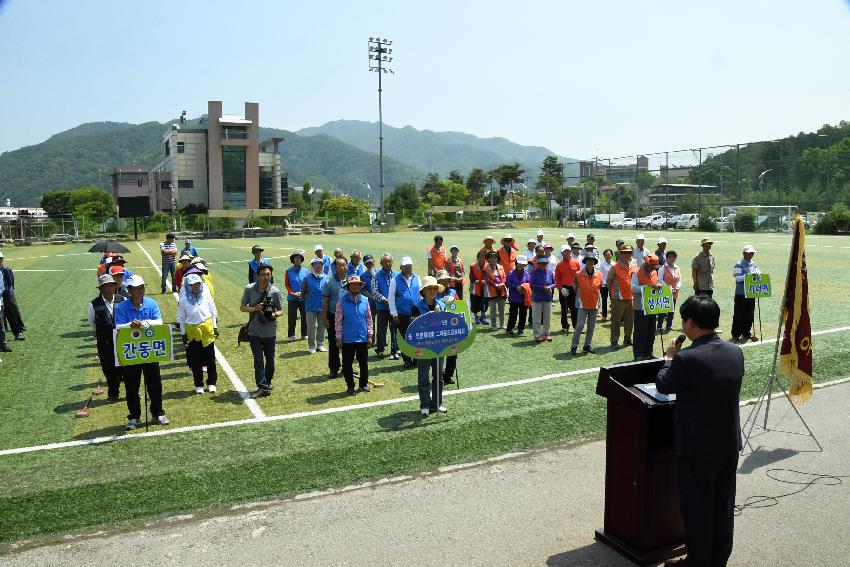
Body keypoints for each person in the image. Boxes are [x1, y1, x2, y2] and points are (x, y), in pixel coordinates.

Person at [656, 295, 743, 567]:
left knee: (698, 507)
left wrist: (669, 358)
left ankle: (697, 562)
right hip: (727, 443)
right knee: (723, 503)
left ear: (690, 323)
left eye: (684, 320)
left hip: (696, 447)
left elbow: (663, 385)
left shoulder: (686, 358)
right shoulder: (735, 351)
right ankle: (718, 558)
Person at [114, 276, 169, 429]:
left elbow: (159, 322)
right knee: (132, 386)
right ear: (129, 290)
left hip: (150, 351)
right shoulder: (122, 307)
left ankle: (158, 413)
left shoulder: (152, 303)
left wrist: (146, 323)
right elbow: (118, 326)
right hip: (131, 352)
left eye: (141, 288)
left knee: (155, 384)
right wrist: (130, 325)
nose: (139, 291)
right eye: (136, 288)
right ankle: (134, 417)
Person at [240, 264, 283, 398]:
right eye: (263, 274)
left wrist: (275, 315)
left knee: (270, 360)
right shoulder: (249, 289)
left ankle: (268, 382)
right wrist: (254, 309)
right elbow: (242, 307)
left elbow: (281, 310)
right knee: (258, 360)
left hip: (270, 332)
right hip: (254, 332)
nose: (266, 277)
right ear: (258, 276)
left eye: (268, 274)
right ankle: (262, 387)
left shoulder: (275, 291)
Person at [177, 273, 219, 394]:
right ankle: (198, 384)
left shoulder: (205, 295)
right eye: (192, 285)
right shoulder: (184, 299)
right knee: (196, 360)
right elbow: (180, 317)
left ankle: (211, 382)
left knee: (210, 359)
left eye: (197, 284)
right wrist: (183, 334)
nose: (195, 286)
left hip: (207, 329)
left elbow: (213, 310)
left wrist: (215, 327)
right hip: (192, 331)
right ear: (188, 286)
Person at [87, 274, 125, 399]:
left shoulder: (122, 300)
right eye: (106, 286)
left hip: (122, 341)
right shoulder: (93, 305)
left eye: (112, 285)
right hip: (105, 344)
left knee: (125, 368)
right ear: (101, 289)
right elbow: (93, 324)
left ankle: (130, 391)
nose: (110, 288)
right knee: (108, 369)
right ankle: (113, 392)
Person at [414, 276, 448, 416]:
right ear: (424, 291)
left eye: (435, 288)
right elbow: (414, 328)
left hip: (439, 346)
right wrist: (428, 317)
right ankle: (425, 405)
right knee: (423, 377)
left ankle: (438, 403)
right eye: (430, 288)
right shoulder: (416, 307)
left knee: (439, 376)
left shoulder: (442, 304)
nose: (433, 290)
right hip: (423, 347)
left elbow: (446, 326)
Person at [336, 275, 373, 395]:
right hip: (348, 338)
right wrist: (339, 337)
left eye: (357, 284)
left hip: (362, 337)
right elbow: (338, 321)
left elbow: (369, 319)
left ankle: (363, 384)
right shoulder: (341, 301)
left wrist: (370, 335)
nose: (354, 286)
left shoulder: (365, 300)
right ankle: (350, 386)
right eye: (352, 284)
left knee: (363, 362)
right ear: (348, 287)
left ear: (360, 286)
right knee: (347, 364)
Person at [388, 256, 420, 368]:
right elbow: (391, 298)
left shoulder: (417, 278)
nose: (408, 268)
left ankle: (416, 359)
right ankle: (407, 359)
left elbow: (420, 295)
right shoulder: (395, 280)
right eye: (405, 266)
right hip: (402, 313)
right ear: (401, 267)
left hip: (415, 313)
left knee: (416, 337)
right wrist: (394, 313)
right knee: (405, 337)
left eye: (410, 266)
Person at [631, 254, 662, 361]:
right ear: (647, 264)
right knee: (640, 331)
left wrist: (659, 284)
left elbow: (656, 282)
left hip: (652, 306)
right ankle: (638, 354)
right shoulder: (636, 272)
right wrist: (647, 287)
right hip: (640, 307)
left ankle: (648, 352)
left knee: (651, 330)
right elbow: (633, 288)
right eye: (653, 266)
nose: (654, 268)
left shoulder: (654, 272)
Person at [571, 252, 603, 355]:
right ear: (585, 262)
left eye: (592, 261)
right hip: (582, 304)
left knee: (591, 327)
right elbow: (575, 288)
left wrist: (599, 303)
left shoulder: (599, 274)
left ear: (594, 262)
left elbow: (599, 288)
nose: (590, 262)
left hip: (594, 304)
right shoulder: (578, 274)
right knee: (579, 325)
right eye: (588, 260)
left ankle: (587, 346)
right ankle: (574, 346)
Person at [322, 257, 349, 377]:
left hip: (348, 317)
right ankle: (334, 368)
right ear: (335, 267)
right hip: (333, 315)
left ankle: (347, 367)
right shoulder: (329, 282)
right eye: (339, 265)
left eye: (344, 265)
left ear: (347, 266)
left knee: (349, 343)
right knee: (334, 343)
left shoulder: (352, 281)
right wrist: (325, 317)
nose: (342, 267)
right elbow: (325, 301)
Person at [607, 244, 636, 348]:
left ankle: (627, 339)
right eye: (624, 252)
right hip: (618, 299)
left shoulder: (632, 266)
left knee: (629, 321)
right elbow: (608, 280)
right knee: (616, 322)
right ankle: (614, 341)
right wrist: (613, 294)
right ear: (620, 253)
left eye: (629, 253)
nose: (627, 255)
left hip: (631, 298)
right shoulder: (615, 266)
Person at [372, 253, 399, 359]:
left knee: (394, 328)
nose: (388, 263)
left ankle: (395, 349)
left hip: (394, 307)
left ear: (392, 262)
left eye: (389, 261)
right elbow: (374, 291)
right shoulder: (376, 275)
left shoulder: (397, 275)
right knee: (381, 330)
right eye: (385, 261)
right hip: (382, 307)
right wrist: (384, 300)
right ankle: (380, 349)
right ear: (381, 263)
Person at [434, 270, 459, 385]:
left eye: (446, 280)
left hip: (452, 327)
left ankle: (448, 375)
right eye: (442, 280)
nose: (445, 282)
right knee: (439, 354)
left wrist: (454, 301)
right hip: (438, 327)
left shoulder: (453, 292)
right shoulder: (434, 293)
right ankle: (438, 377)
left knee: (453, 353)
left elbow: (459, 307)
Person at [731, 245, 760, 342]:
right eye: (749, 253)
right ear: (744, 253)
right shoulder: (739, 264)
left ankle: (746, 332)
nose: (751, 255)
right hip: (741, 294)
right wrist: (748, 276)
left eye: (752, 253)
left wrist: (758, 273)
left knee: (749, 314)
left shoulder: (753, 263)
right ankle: (736, 334)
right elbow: (737, 278)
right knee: (739, 314)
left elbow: (758, 271)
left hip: (751, 293)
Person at [302, 256, 328, 354]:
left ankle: (320, 345)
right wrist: (308, 301)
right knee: (311, 328)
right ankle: (311, 346)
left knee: (322, 326)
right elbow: (303, 292)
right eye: (316, 264)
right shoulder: (307, 277)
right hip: (311, 307)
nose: (318, 266)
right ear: (312, 266)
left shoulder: (326, 277)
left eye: (320, 264)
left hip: (323, 307)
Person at [0, 251, 25, 340]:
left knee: (12, 314)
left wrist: (10, 291)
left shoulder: (6, 269)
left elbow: (11, 282)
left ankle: (18, 332)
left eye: (0, 259)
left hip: (6, 295)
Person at [530, 255, 555, 342]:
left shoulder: (550, 273)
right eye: (541, 263)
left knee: (547, 317)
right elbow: (532, 284)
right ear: (538, 264)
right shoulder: (534, 273)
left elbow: (554, 283)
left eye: (545, 263)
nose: (543, 264)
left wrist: (550, 287)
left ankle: (546, 334)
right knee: (536, 317)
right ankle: (537, 335)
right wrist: (543, 288)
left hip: (547, 297)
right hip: (537, 297)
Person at [284, 249, 308, 342]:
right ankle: (291, 335)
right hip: (292, 298)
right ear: (292, 259)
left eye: (299, 258)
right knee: (292, 317)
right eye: (295, 258)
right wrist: (292, 293)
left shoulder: (306, 271)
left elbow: (307, 284)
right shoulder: (288, 271)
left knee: (304, 317)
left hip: (303, 298)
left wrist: (302, 293)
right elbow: (287, 284)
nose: (297, 259)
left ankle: (304, 334)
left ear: (301, 260)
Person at [555, 245, 580, 333]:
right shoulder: (559, 265)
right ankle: (565, 326)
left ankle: (576, 325)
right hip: (563, 288)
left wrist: (578, 288)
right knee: (564, 309)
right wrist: (561, 288)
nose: (566, 253)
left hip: (574, 288)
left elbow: (579, 277)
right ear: (561, 253)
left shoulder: (576, 263)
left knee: (574, 308)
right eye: (564, 251)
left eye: (568, 251)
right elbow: (557, 279)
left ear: (570, 252)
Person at [506, 255, 531, 336]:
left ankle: (521, 329)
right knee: (513, 314)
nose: (520, 265)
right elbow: (509, 284)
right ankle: (509, 329)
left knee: (523, 314)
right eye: (519, 263)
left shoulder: (526, 274)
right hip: (513, 298)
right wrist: (517, 287)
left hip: (523, 298)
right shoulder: (511, 273)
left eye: (522, 264)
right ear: (516, 263)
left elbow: (529, 283)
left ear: (525, 265)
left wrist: (524, 288)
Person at [658, 250, 683, 333]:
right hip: (665, 292)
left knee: (671, 310)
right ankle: (659, 326)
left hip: (674, 292)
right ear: (667, 258)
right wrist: (667, 287)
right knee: (662, 310)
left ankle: (669, 326)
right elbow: (660, 279)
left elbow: (679, 279)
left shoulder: (677, 267)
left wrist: (678, 287)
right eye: (670, 257)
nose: (672, 258)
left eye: (674, 257)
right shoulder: (663, 268)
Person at [484, 250, 507, 330]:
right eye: (491, 257)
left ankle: (502, 324)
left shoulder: (501, 267)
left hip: (501, 290)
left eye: (495, 257)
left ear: (497, 258)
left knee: (502, 309)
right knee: (493, 310)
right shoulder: (486, 268)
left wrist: (501, 284)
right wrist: (495, 285)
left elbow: (504, 277)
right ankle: (493, 325)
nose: (493, 259)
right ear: (488, 259)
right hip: (492, 292)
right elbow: (487, 280)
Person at [469, 250, 489, 325]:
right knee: (475, 302)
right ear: (478, 257)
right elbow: (471, 276)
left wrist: (485, 281)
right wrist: (477, 281)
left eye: (483, 256)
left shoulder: (488, 265)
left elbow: (490, 276)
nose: (482, 258)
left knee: (485, 302)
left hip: (485, 287)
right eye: (480, 256)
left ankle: (483, 317)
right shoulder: (473, 265)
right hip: (475, 287)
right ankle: (476, 317)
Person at [360, 254, 378, 333]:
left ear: (374, 262)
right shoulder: (363, 276)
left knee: (382, 323)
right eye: (367, 263)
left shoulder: (380, 273)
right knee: (371, 321)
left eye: (371, 262)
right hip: (370, 303)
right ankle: (372, 338)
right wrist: (372, 297)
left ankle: (382, 341)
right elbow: (363, 290)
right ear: (365, 264)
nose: (370, 265)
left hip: (382, 303)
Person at [598, 248, 614, 321]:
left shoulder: (614, 264)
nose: (608, 256)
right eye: (606, 255)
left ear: (612, 255)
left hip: (613, 285)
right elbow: (600, 275)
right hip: (604, 286)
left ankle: (613, 315)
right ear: (604, 256)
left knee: (613, 300)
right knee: (604, 300)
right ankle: (604, 315)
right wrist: (605, 282)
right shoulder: (602, 265)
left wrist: (611, 283)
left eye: (609, 254)